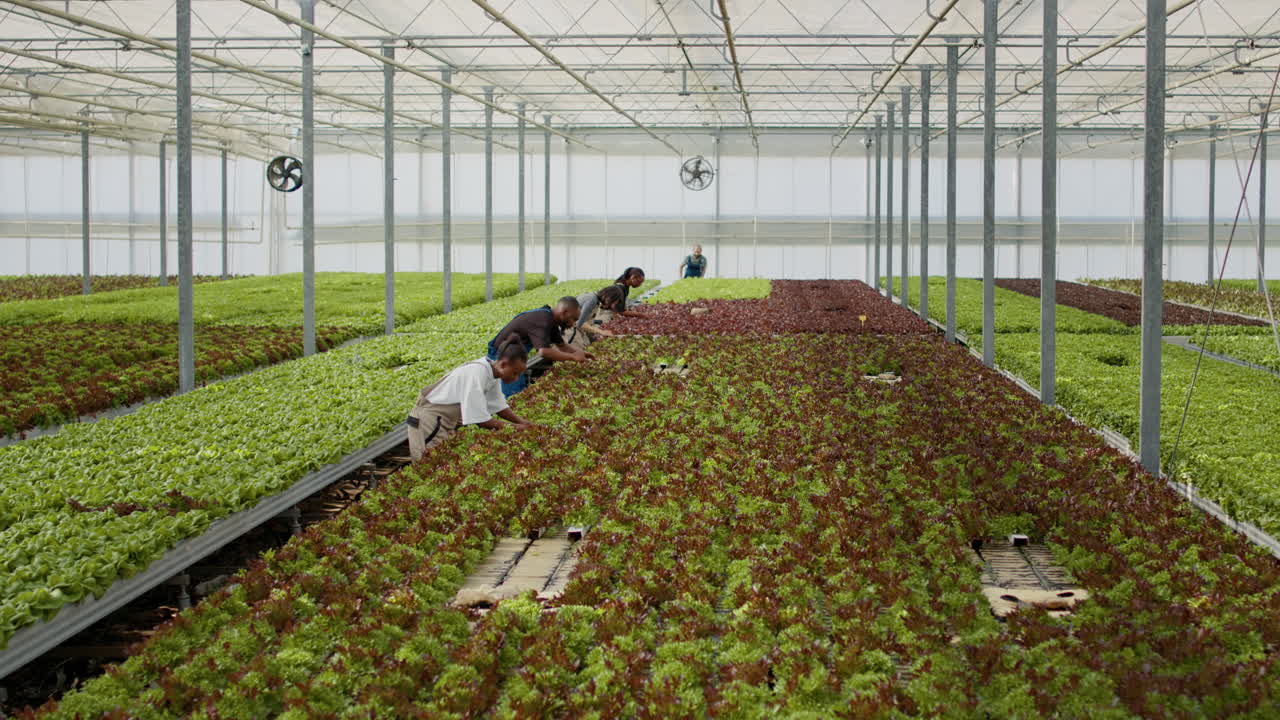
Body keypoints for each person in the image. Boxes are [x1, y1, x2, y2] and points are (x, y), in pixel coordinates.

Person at [406, 341, 536, 462]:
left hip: (443, 422)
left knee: (441, 463)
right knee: (427, 465)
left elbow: (499, 406)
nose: (516, 378)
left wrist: (523, 422)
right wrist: (516, 428)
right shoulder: (477, 373)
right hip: (428, 422)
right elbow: (481, 421)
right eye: (515, 373)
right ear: (502, 364)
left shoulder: (492, 373)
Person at [488, 296, 592, 396]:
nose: (573, 324)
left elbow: (562, 346)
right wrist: (573, 357)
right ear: (564, 312)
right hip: (502, 355)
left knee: (518, 390)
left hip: (514, 356)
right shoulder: (543, 319)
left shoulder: (552, 321)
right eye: (573, 319)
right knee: (512, 393)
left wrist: (580, 353)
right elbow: (543, 352)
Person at [569, 284, 627, 349]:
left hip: (574, 328)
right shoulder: (592, 300)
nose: (612, 306)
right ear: (609, 297)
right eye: (613, 302)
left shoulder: (595, 300)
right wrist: (602, 332)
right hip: (569, 330)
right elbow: (580, 323)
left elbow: (585, 320)